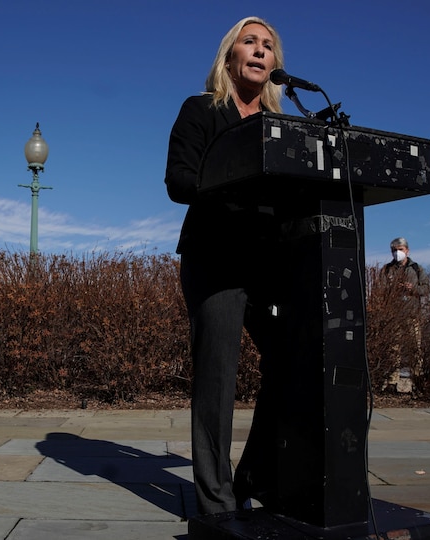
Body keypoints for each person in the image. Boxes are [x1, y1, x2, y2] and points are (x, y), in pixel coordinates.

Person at [164, 16, 287, 516]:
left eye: (269, 46)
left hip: (271, 262)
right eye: (250, 42)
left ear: (276, 64)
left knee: (295, 359)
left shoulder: (281, 127)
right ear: (230, 55)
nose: (260, 50)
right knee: (218, 376)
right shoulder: (201, 111)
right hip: (215, 256)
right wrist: (237, 191)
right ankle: (216, 502)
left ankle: (251, 477)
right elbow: (179, 181)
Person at [380, 237, 429, 391]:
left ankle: (417, 382)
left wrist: (412, 289)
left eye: (400, 249)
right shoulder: (387, 269)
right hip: (394, 315)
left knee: (415, 349)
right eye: (394, 250)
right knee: (393, 350)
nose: (397, 253)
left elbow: (426, 289)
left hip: (412, 314)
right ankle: (392, 382)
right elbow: (380, 290)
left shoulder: (416, 268)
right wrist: (393, 289)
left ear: (407, 250)